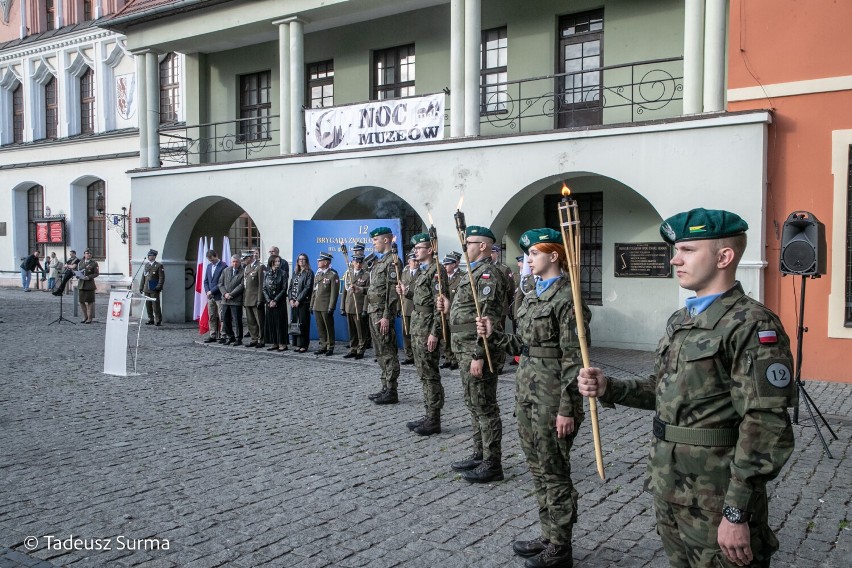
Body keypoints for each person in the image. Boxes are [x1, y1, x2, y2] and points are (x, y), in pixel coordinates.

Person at [577, 208, 796, 568]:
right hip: (670, 484)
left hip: (716, 494)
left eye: (688, 250)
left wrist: (736, 512)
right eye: (676, 250)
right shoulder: (681, 319)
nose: (675, 259)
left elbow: (765, 425)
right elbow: (661, 389)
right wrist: (609, 387)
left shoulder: (752, 324)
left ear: (724, 256)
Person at [477, 228, 591, 568]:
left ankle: (561, 547)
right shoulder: (531, 295)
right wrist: (494, 335)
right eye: (527, 253)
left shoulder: (567, 298)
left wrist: (567, 408)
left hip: (553, 399)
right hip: (527, 394)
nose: (528, 258)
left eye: (534, 253)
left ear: (554, 256)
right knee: (537, 469)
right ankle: (549, 534)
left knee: (554, 471)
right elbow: (525, 348)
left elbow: (575, 358)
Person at [436, 226, 508, 483]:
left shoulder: (488, 274)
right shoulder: (472, 272)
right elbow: (468, 310)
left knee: (485, 406)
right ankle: (480, 453)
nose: (465, 246)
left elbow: (488, 317)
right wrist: (448, 308)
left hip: (477, 349)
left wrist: (480, 353)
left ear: (485, 246)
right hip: (462, 346)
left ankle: (492, 462)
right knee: (473, 403)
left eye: (470, 242)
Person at [398, 233, 447, 436]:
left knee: (430, 374)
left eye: (419, 248)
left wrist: (435, 333)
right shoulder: (424, 271)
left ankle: (434, 418)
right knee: (423, 374)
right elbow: (422, 298)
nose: (415, 251)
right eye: (415, 248)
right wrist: (406, 292)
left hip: (427, 328)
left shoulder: (437, 271)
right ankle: (428, 414)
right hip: (418, 326)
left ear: (429, 249)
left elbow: (439, 305)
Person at [365, 227, 401, 404]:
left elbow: (392, 293)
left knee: (387, 350)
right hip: (374, 310)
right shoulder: (380, 262)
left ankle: (392, 390)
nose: (374, 244)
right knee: (379, 351)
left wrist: (387, 315)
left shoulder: (393, 262)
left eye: (376, 241)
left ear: (386, 240)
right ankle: (385, 386)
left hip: (382, 312)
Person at [311, 252, 340, 356]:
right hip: (317, 305)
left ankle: (330, 346)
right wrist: (311, 305)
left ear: (326, 262)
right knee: (320, 327)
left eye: (320, 260)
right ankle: (323, 345)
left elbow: (334, 293)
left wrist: (331, 307)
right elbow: (314, 291)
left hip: (326, 306)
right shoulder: (318, 274)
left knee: (328, 327)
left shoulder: (333, 275)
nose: (318, 262)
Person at [341, 254, 370, 360]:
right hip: (349, 305)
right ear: (352, 263)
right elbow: (344, 291)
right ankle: (353, 349)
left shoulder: (366, 275)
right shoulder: (348, 274)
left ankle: (361, 350)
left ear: (362, 264)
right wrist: (342, 307)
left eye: (360, 262)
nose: (358, 264)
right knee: (352, 330)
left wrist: (365, 309)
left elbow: (368, 292)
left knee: (360, 330)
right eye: (356, 262)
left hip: (359, 306)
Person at [511, 254, 537, 366]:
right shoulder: (525, 279)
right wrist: (517, 315)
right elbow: (518, 298)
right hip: (525, 315)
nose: (529, 261)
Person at [439, 252, 463, 371]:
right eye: (444, 264)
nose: (445, 267)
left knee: (454, 337)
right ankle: (448, 358)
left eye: (447, 264)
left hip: (455, 312)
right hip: (444, 312)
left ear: (454, 265)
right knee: (445, 336)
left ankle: (455, 359)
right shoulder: (441, 277)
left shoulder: (462, 276)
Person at [263, 254, 289, 351]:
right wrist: (269, 300)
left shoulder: (283, 273)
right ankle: (274, 342)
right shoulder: (267, 273)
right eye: (276, 261)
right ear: (272, 262)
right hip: (269, 302)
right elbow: (264, 288)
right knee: (271, 322)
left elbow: (284, 289)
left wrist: (275, 300)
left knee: (280, 323)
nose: (278, 263)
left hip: (279, 302)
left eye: (279, 261)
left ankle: (282, 343)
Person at [289, 253, 314, 352]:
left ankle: (304, 345)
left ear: (306, 261)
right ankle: (297, 344)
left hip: (303, 302)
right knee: (295, 323)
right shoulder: (295, 272)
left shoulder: (309, 273)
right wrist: (291, 299)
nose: (301, 261)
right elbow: (290, 287)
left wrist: (298, 300)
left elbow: (307, 288)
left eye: (303, 259)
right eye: (300, 259)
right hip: (293, 302)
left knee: (303, 324)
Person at [218, 254, 245, 345]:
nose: (235, 264)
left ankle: (238, 338)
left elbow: (242, 285)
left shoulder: (243, 272)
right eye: (233, 262)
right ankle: (230, 336)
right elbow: (220, 284)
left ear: (240, 262)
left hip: (236, 300)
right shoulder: (226, 270)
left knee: (237, 320)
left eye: (237, 262)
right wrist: (225, 293)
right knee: (225, 319)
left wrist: (232, 294)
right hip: (225, 300)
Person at [203, 250, 228, 343]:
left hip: (219, 295)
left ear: (216, 256)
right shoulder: (209, 266)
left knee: (222, 316)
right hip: (210, 296)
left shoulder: (223, 266)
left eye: (213, 260)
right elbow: (205, 281)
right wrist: (207, 291)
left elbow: (221, 283)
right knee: (212, 316)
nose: (211, 262)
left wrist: (211, 291)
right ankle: (212, 334)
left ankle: (223, 335)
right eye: (210, 260)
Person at [243, 249, 266, 348]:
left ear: (249, 258)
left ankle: (262, 339)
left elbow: (262, 285)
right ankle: (254, 338)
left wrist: (260, 299)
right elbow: (245, 285)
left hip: (256, 298)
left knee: (260, 321)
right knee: (251, 321)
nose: (243, 261)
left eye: (245, 259)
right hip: (248, 298)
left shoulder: (260, 267)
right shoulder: (247, 267)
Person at [400, 252, 419, 365]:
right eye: (413, 261)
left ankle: (417, 355)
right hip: (405, 306)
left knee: (415, 334)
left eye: (417, 261)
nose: (416, 263)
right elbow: (400, 291)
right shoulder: (404, 273)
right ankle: (409, 355)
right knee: (405, 332)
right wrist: (399, 306)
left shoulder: (421, 273)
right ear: (409, 261)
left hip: (416, 307)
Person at [139, 249, 165, 326]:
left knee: (155, 305)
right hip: (146, 288)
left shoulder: (159, 265)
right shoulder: (146, 265)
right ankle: (151, 319)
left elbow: (161, 277)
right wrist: (141, 287)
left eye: (151, 256)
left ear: (154, 257)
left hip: (154, 288)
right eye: (149, 255)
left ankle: (158, 320)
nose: (149, 257)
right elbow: (143, 277)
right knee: (148, 305)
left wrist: (159, 286)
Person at [77, 249, 99, 323]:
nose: (89, 254)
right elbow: (79, 271)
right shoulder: (80, 263)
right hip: (81, 284)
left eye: (90, 253)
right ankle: (85, 316)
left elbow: (96, 273)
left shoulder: (94, 263)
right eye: (87, 253)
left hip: (89, 285)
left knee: (90, 302)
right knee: (81, 301)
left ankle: (90, 318)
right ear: (84, 254)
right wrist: (77, 275)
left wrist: (88, 277)